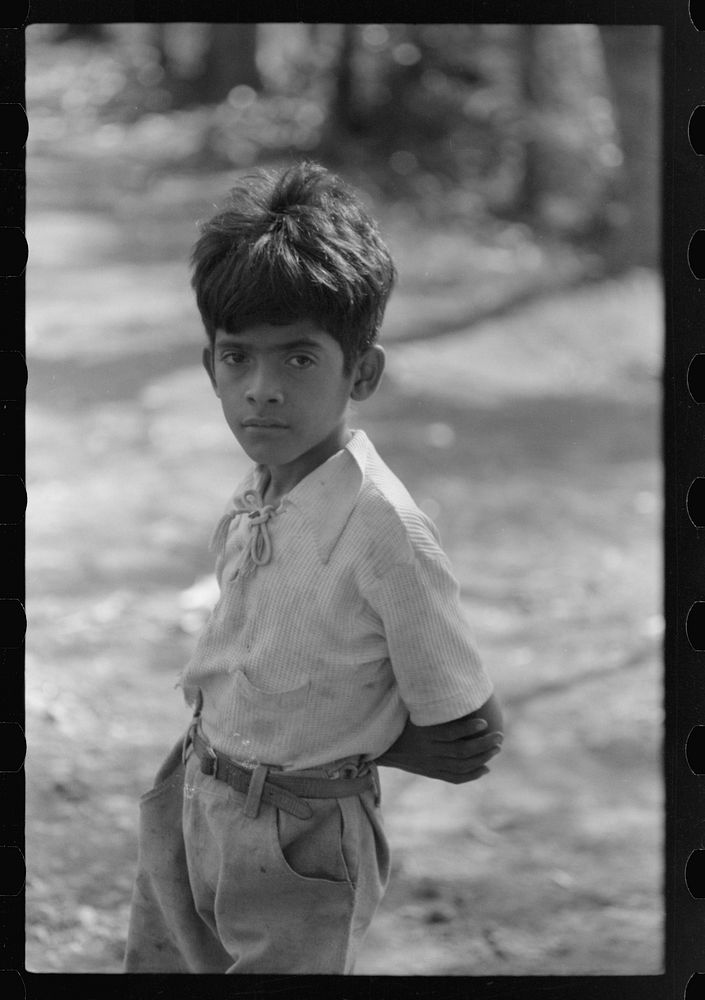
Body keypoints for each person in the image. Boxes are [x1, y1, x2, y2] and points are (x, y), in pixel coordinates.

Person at [124, 161, 503, 975]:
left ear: (360, 372)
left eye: (298, 359)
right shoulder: (255, 492)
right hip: (193, 790)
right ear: (210, 367)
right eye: (237, 359)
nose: (261, 390)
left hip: (301, 834)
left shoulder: (383, 531)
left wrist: (354, 742)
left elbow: (469, 735)